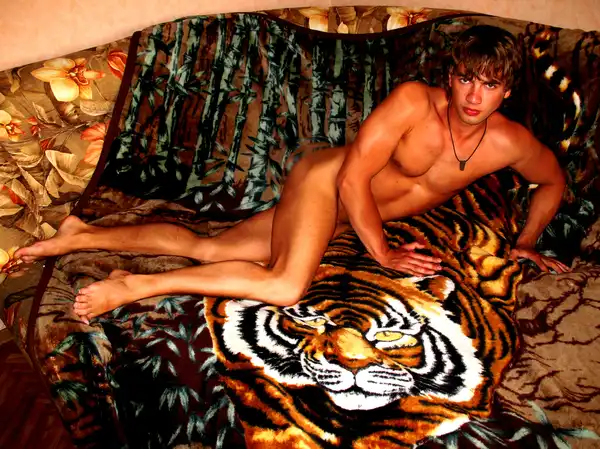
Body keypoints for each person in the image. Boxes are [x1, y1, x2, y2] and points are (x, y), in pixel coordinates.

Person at [15, 25, 569, 322]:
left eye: (489, 84)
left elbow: (553, 182)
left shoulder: (511, 144)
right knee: (285, 286)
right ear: (451, 77)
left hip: (342, 217)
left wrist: (526, 241)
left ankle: (80, 235)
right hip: (326, 182)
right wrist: (381, 251)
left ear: (506, 91)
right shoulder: (413, 102)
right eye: (467, 78)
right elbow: (351, 178)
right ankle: (136, 286)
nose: (474, 95)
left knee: (211, 249)